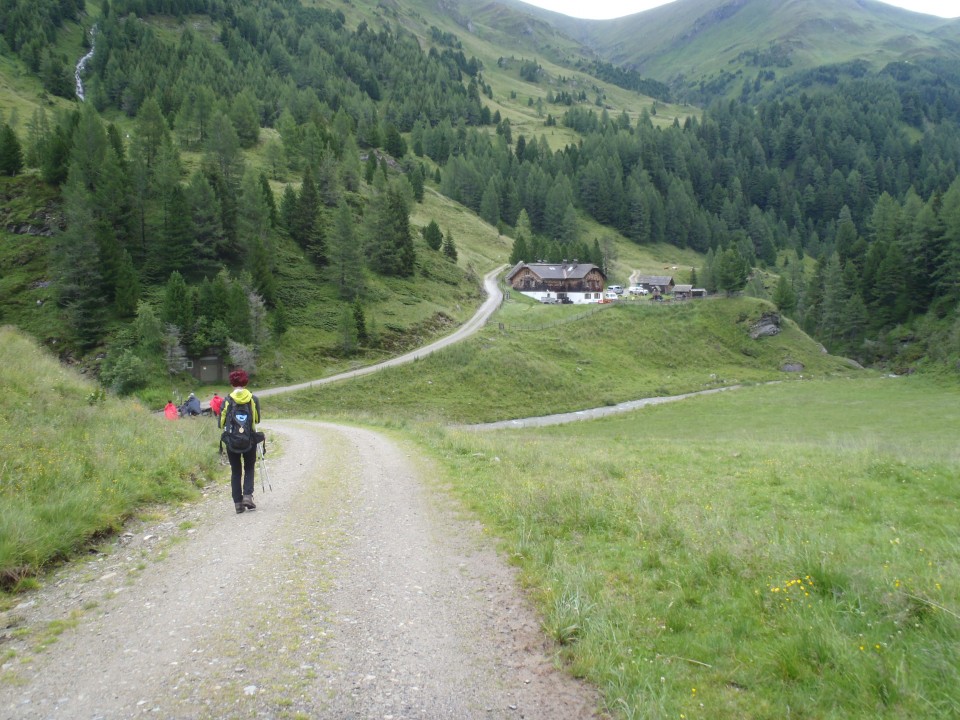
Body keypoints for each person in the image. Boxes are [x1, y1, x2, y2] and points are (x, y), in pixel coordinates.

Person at [219, 369, 261, 514]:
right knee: (249, 467)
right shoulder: (253, 399)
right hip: (249, 439)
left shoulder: (227, 400)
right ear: (245, 382)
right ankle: (248, 496)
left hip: (232, 441)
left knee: (236, 471)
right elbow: (256, 420)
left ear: (232, 383)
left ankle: (238, 503)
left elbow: (221, 423)